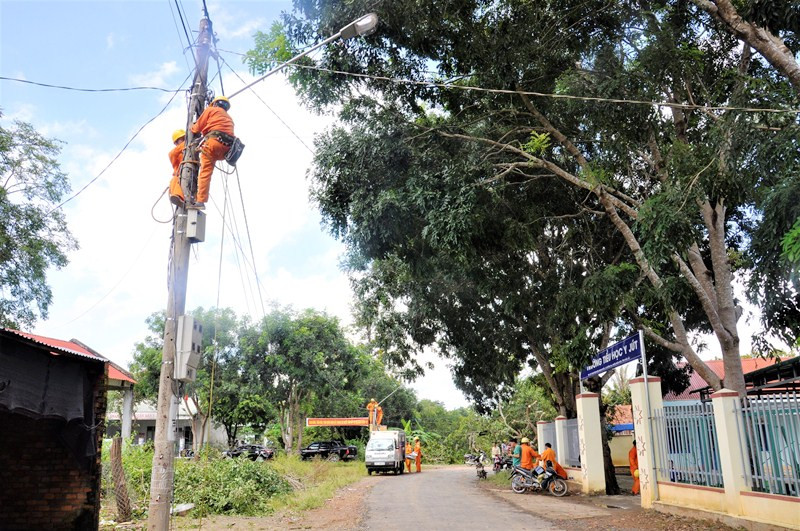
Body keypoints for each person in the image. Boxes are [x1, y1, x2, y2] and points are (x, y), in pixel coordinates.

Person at [189, 96, 235, 208]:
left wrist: (191, 126)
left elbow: (196, 128)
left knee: (205, 172)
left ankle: (200, 201)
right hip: (226, 150)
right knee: (207, 170)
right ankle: (200, 200)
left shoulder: (211, 110)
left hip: (213, 144)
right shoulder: (229, 118)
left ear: (214, 104)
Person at [168, 129, 186, 206]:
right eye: (181, 139)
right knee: (174, 182)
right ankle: (177, 197)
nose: (184, 140)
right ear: (176, 142)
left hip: (191, 176)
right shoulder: (175, 152)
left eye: (184, 138)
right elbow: (172, 154)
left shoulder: (190, 148)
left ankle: (181, 199)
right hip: (179, 175)